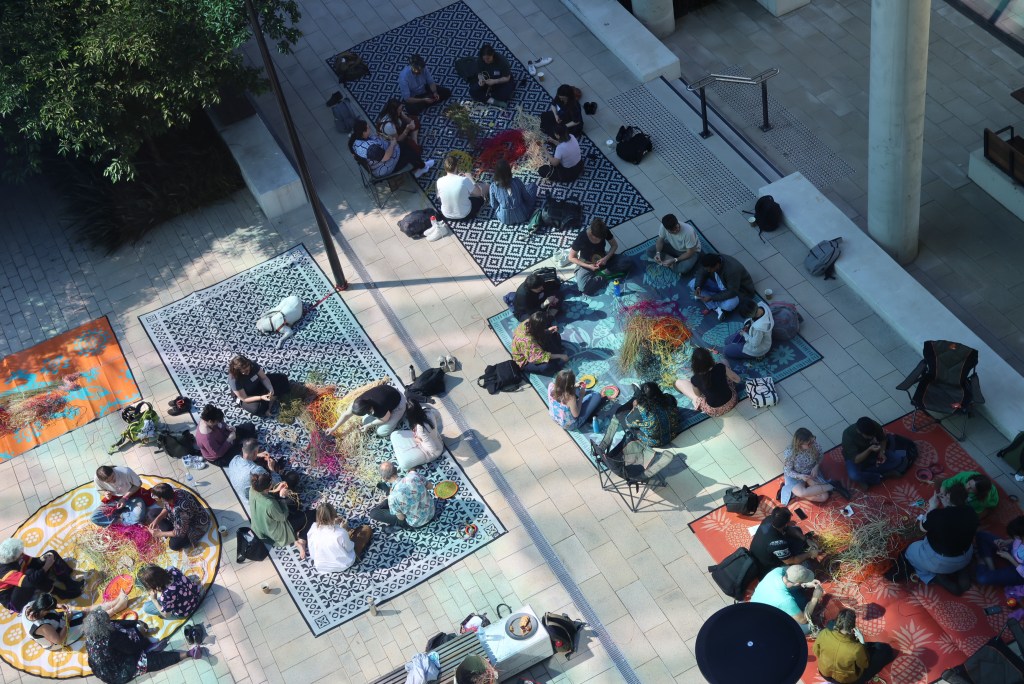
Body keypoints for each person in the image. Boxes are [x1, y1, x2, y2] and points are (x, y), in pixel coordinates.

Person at [893, 483, 978, 590]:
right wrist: (947, 505)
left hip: (943, 561)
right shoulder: (971, 512)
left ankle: (933, 577)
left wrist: (932, 507)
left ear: (948, 496)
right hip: (965, 555)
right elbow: (955, 519)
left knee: (910, 551)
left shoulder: (938, 515)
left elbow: (922, 528)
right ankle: (962, 569)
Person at [85, 610, 200, 683]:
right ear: (104, 625)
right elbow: (132, 649)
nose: (109, 620)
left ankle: (149, 647)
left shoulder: (91, 635)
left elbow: (116, 623)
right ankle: (187, 654)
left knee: (128, 632)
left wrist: (135, 622)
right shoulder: (111, 638)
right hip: (118, 672)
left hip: (108, 663)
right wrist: (143, 639)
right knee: (151, 662)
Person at [22, 592, 126, 651]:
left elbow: (48, 605)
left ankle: (115, 601)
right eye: (51, 609)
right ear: (45, 611)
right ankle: (118, 608)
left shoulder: (31, 606)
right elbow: (59, 640)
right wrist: (67, 621)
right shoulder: (41, 626)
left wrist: (59, 606)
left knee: (86, 611)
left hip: (58, 623)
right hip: (61, 638)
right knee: (91, 620)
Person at [814, 609, 897, 684]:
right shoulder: (857, 648)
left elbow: (816, 651)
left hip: (824, 673)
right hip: (847, 681)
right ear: (852, 629)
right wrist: (862, 643)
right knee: (884, 649)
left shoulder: (824, 633)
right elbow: (864, 665)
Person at [0, 539, 82, 611]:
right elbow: (29, 582)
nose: (23, 554)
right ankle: (61, 593)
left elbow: (33, 562)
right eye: (21, 554)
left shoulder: (17, 556)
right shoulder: (5, 572)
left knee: (51, 553)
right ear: (14, 559)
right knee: (32, 575)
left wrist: (43, 558)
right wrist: (46, 567)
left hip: (23, 578)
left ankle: (69, 582)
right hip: (14, 599)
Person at [249, 473, 312, 559]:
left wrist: (275, 490)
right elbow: (283, 517)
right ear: (267, 487)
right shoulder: (270, 504)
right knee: (312, 514)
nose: (273, 483)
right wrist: (282, 497)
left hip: (260, 529)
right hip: (276, 533)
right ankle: (301, 540)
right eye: (271, 483)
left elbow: (263, 493)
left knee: (293, 479)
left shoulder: (252, 489)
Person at [750, 564, 824, 634]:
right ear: (797, 583)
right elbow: (803, 620)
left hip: (755, 607)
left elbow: (791, 577)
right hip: (762, 623)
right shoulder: (785, 600)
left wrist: (805, 584)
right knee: (808, 627)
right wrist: (815, 597)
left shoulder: (777, 571)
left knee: (797, 596)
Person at [349, 119, 432, 179]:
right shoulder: (371, 149)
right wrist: (392, 145)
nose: (370, 128)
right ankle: (422, 167)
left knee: (404, 146)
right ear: (363, 132)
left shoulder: (355, 140)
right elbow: (386, 157)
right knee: (409, 152)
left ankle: (419, 167)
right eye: (368, 128)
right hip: (382, 167)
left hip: (377, 163)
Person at [840, 417, 911, 486]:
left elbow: (882, 440)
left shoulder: (874, 425)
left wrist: (882, 452)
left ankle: (867, 474)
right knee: (853, 475)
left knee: (898, 459)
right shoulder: (848, 435)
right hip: (856, 457)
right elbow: (856, 459)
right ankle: (880, 476)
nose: (871, 437)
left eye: (873, 435)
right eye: (868, 436)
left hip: (873, 451)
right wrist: (869, 449)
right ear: (859, 431)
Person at [779, 428, 843, 505]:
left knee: (824, 497)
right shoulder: (790, 453)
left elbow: (820, 456)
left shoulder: (814, 444)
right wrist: (800, 476)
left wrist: (816, 466)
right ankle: (832, 486)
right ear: (800, 444)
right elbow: (787, 470)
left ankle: (795, 493)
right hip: (795, 475)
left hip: (810, 472)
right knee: (801, 493)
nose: (812, 444)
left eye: (813, 440)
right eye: (809, 443)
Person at [749, 507, 822, 572]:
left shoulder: (769, 519)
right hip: (766, 565)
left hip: (762, 549)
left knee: (797, 530)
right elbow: (791, 560)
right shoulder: (778, 543)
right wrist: (810, 554)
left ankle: (799, 547)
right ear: (786, 524)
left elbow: (789, 529)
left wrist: (806, 539)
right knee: (807, 568)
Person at [307, 502, 374, 573]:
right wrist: (344, 530)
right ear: (333, 515)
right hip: (343, 564)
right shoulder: (340, 533)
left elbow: (313, 554)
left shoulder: (313, 528)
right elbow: (350, 548)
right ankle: (351, 536)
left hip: (321, 566)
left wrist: (335, 525)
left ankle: (350, 533)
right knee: (366, 529)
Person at [673, 347, 740, 418]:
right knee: (724, 361)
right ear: (710, 359)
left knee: (678, 383)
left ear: (694, 364)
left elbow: (698, 394)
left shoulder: (695, 379)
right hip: (732, 401)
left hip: (715, 410)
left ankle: (694, 400)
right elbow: (737, 379)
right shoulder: (720, 366)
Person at [689, 253, 757, 320]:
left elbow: (732, 292)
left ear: (717, 265)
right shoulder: (712, 261)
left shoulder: (732, 271)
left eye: (709, 269)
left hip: (738, 291)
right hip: (719, 284)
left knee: (730, 304)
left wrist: (712, 298)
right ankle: (717, 307)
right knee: (693, 284)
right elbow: (702, 272)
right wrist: (698, 287)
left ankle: (713, 304)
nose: (708, 271)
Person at [370, 462, 436, 531]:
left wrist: (391, 499)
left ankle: (400, 526)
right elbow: (430, 486)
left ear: (385, 478)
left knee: (373, 513)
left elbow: (401, 518)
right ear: (396, 469)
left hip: (417, 524)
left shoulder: (392, 498)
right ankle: (387, 491)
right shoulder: (413, 475)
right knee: (393, 501)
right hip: (431, 512)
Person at [326, 383, 407, 437]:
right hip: (388, 391)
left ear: (370, 410)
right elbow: (346, 414)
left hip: (399, 403)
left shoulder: (379, 409)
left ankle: (400, 417)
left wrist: (369, 425)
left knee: (381, 432)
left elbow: (385, 419)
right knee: (365, 421)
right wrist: (333, 428)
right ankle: (389, 410)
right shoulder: (359, 401)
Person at [147, 483, 211, 551]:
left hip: (195, 525)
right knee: (152, 514)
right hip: (180, 520)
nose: (154, 498)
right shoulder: (174, 492)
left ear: (162, 498)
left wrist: (159, 534)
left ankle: (184, 537)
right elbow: (167, 506)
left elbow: (179, 532)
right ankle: (170, 529)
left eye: (155, 496)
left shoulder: (180, 510)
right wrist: (157, 519)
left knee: (173, 545)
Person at [568, 218, 621, 295]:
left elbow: (614, 245)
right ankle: (605, 274)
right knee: (583, 288)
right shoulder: (582, 237)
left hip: (603, 258)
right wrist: (589, 266)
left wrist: (606, 258)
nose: (598, 240)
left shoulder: (604, 231)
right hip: (587, 262)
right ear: (591, 233)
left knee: (627, 261)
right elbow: (571, 257)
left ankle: (603, 273)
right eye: (596, 238)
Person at [389, 401, 444, 471]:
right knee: (394, 435)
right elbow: (438, 415)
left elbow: (432, 449)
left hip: (434, 450)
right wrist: (431, 429)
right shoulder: (428, 410)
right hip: (428, 438)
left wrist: (419, 440)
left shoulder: (421, 429)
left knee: (403, 464)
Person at [625, 382, 681, 448]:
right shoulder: (669, 398)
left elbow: (628, 422)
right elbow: (675, 404)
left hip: (655, 442)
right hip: (673, 433)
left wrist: (634, 408)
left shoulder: (641, 409)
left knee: (631, 426)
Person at [436, 152, 489, 220]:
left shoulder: (439, 181)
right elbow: (478, 193)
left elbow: (439, 198)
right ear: (456, 166)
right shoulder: (464, 180)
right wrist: (470, 179)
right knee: (486, 187)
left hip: (447, 216)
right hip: (465, 215)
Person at [137, 564, 202, 619]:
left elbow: (166, 615)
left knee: (146, 607)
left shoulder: (165, 595)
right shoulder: (172, 569)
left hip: (187, 611)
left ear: (155, 585)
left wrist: (154, 600)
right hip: (195, 596)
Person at [974, 516, 1024, 586]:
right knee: (981, 535)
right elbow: (1016, 540)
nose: (1015, 538)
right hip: (1014, 553)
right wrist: (1005, 542)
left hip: (1019, 571)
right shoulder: (1019, 537)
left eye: (1015, 536)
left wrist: (1009, 558)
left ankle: (982, 561)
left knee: (982, 578)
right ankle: (991, 568)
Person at [490, 159, 537, 225]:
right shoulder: (517, 181)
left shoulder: (493, 186)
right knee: (532, 186)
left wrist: (503, 206)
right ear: (509, 171)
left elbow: (493, 205)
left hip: (504, 219)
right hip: (522, 216)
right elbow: (527, 198)